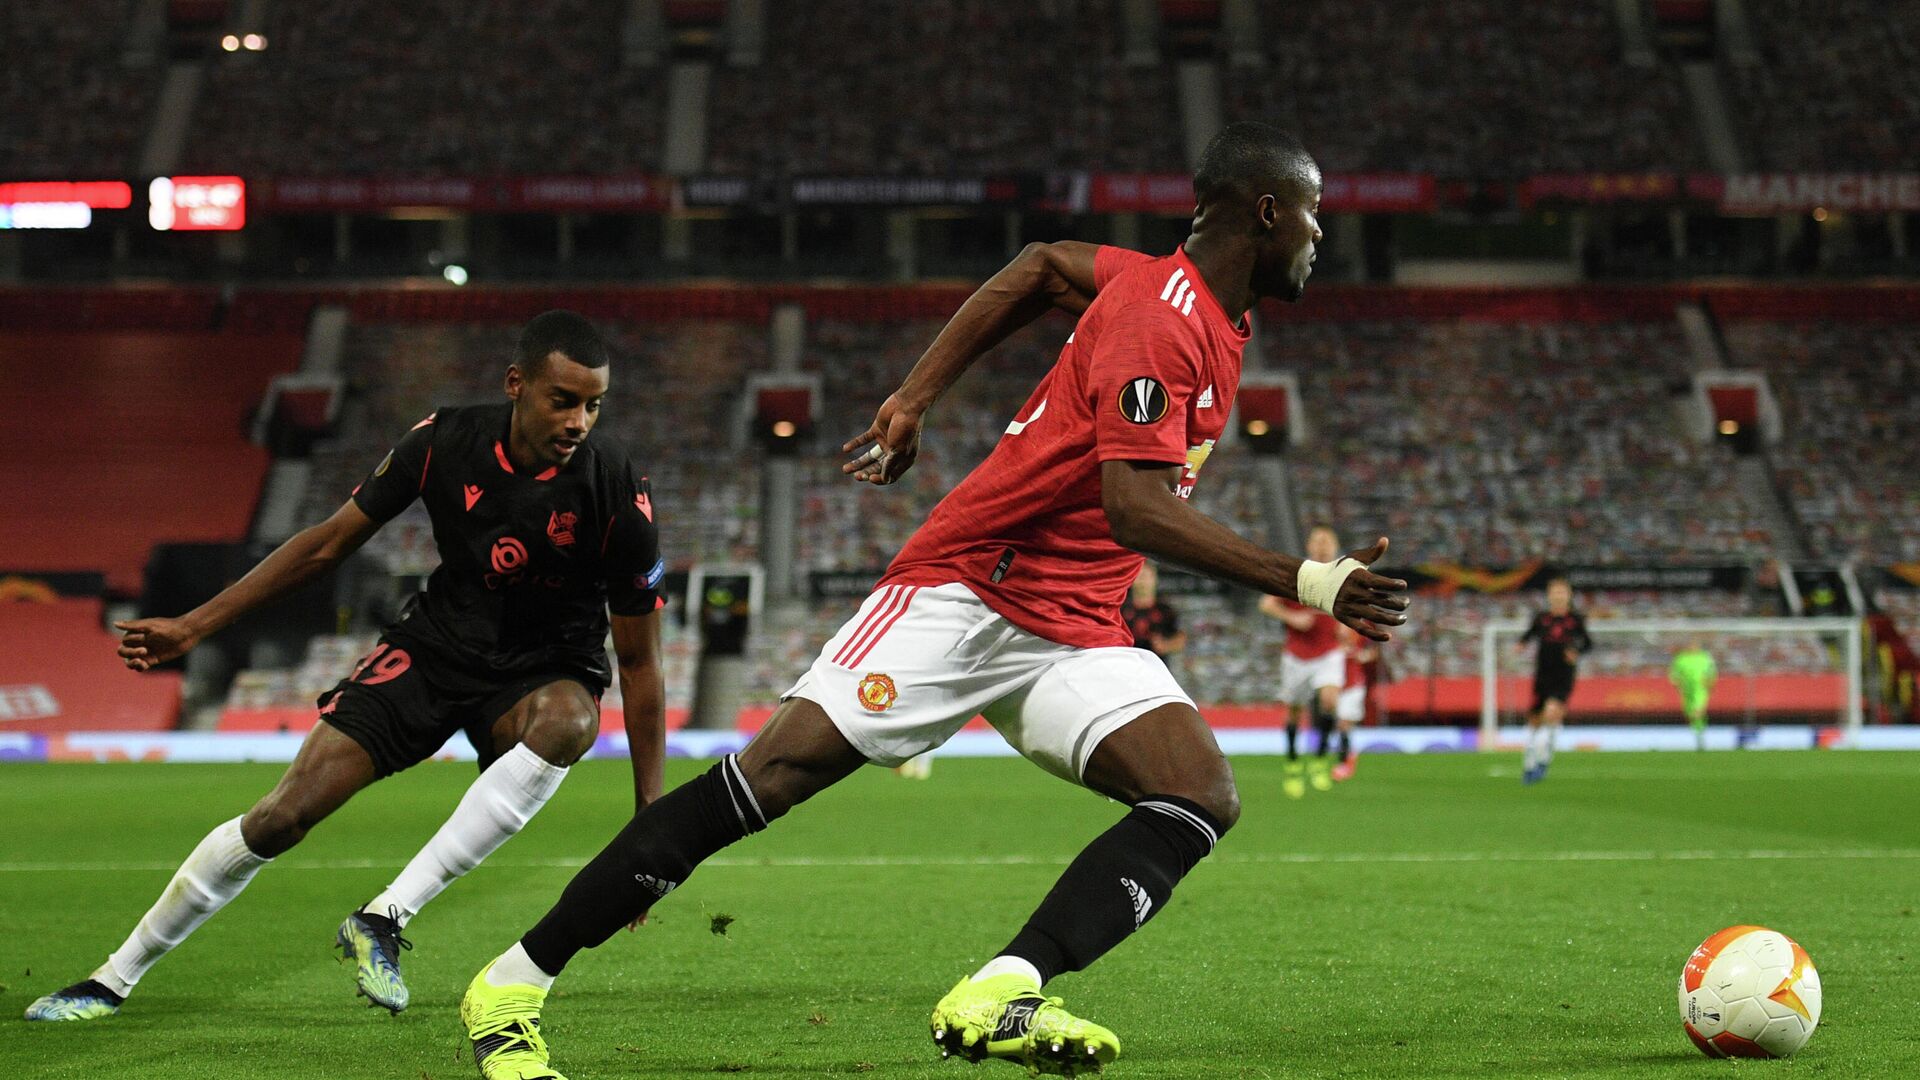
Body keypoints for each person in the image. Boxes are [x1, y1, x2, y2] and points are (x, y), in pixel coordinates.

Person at [452, 123, 1410, 1080]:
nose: (1321, 237)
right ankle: (512, 985)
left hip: (1074, 626)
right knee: (768, 780)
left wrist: (915, 398)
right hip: (970, 587)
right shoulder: (1161, 318)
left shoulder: (1178, 296)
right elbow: (1136, 508)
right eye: (1315, 216)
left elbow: (1039, 268)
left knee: (1200, 795)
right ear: (1269, 212)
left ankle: (1004, 987)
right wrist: (1310, 580)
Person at [24, 312, 666, 1022]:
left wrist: (649, 821)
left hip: (543, 670)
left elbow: (638, 662)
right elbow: (326, 545)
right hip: (434, 651)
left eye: (593, 404)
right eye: (563, 399)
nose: (580, 420)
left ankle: (384, 919)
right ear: (517, 385)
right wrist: (195, 624)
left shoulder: (616, 493)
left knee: (570, 721)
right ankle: (112, 978)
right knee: (280, 816)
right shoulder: (442, 442)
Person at [1259, 524, 1346, 797]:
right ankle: (1294, 762)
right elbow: (1267, 603)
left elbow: (1355, 608)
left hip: (1329, 651)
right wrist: (1293, 617)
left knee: (1330, 700)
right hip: (1297, 654)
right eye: (1317, 541)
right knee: (1295, 711)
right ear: (1309, 546)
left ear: (1334, 547)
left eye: (1327, 541)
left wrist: (1347, 624)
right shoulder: (1297, 575)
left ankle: (1320, 759)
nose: (1322, 546)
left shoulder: (1343, 577)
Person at [1515, 575, 1591, 785]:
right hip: (1542, 675)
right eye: (1554, 592)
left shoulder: (1575, 619)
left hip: (1563, 675)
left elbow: (1587, 643)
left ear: (1569, 595)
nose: (1558, 596)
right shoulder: (1542, 618)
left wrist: (1576, 651)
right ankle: (1531, 763)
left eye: (1562, 592)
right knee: (1535, 722)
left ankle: (1543, 761)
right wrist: (1520, 645)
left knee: (1551, 713)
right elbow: (1529, 635)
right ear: (1549, 596)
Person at [1329, 623, 1378, 782]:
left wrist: (1363, 656)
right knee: (1340, 724)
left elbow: (1373, 652)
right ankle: (1348, 757)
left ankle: (1344, 763)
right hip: (1336, 684)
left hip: (1353, 684)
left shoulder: (1360, 631)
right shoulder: (1331, 635)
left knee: (1344, 723)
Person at [1121, 561, 1188, 662]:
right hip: (1128, 666)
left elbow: (1180, 638)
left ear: (1155, 579)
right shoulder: (1121, 609)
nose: (1143, 581)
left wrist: (1165, 646)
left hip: (1156, 668)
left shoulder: (1165, 610)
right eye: (1140, 576)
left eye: (1147, 576)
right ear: (1132, 579)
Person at [1670, 638, 1717, 751]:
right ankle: (1699, 733)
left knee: (1698, 710)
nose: (1692, 647)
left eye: (1694, 645)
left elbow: (1711, 671)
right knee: (1690, 713)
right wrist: (1677, 683)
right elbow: (1674, 673)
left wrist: (1710, 682)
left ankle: (1700, 734)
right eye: (1690, 645)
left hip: (1700, 687)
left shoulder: (1704, 657)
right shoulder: (1681, 659)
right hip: (1686, 688)